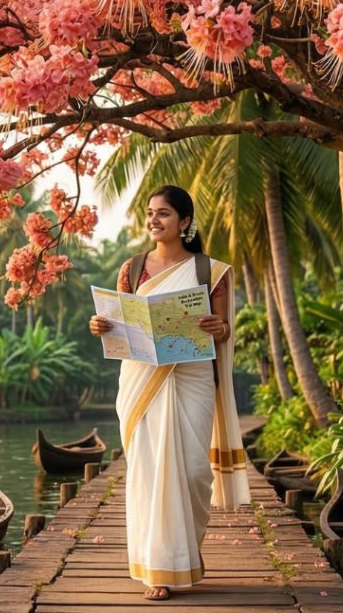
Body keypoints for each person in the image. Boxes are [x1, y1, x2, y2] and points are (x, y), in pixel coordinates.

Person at [89, 185, 250, 601]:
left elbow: (224, 327)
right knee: (148, 472)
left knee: (194, 472)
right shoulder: (132, 267)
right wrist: (101, 325)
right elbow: (120, 317)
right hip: (141, 377)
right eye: (149, 213)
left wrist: (222, 328)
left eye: (163, 213)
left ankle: (184, 555)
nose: (153, 220)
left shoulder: (209, 271)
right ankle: (157, 570)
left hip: (192, 376)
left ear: (184, 221)